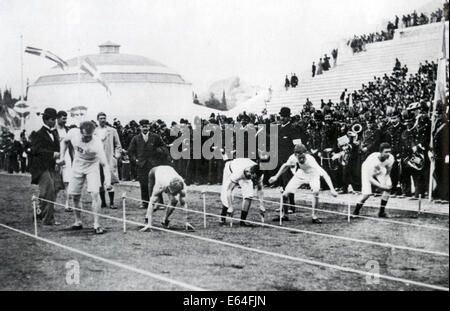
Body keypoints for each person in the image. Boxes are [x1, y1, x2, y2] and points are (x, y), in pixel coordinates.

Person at [58, 121, 111, 234]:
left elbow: (105, 164)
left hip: (92, 166)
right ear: (80, 131)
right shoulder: (73, 133)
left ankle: (96, 224)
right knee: (74, 195)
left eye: (89, 136)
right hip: (77, 164)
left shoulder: (96, 143)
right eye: (85, 136)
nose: (87, 139)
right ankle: (78, 221)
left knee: (95, 193)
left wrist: (108, 181)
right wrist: (62, 157)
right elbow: (64, 142)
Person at [29, 108, 62, 226]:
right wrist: (52, 154)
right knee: (49, 191)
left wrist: (58, 160)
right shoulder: (38, 134)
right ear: (46, 120)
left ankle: (39, 212)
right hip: (40, 167)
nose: (55, 121)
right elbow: (36, 150)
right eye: (53, 119)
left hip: (52, 166)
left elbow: (57, 149)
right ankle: (48, 219)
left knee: (54, 189)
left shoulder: (54, 132)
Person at [127, 119, 168, 209]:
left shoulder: (156, 137)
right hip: (141, 164)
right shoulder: (136, 138)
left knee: (157, 183)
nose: (145, 128)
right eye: (143, 126)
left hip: (154, 164)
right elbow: (130, 151)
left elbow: (164, 147)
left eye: (146, 126)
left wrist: (159, 151)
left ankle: (159, 203)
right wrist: (135, 160)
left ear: (149, 127)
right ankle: (145, 202)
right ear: (140, 127)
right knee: (143, 183)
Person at [140, 165, 194, 232]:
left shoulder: (183, 187)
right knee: (153, 200)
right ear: (168, 188)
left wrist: (186, 222)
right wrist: (149, 225)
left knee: (174, 200)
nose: (174, 194)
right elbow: (152, 201)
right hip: (155, 171)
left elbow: (183, 203)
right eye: (173, 192)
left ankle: (165, 220)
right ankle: (147, 217)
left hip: (169, 171)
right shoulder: (161, 184)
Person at [353, 143, 394, 218]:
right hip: (367, 169)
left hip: (380, 168)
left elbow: (388, 172)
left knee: (388, 186)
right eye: (386, 152)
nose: (388, 154)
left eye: (389, 152)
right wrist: (381, 186)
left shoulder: (391, 158)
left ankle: (381, 212)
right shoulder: (373, 160)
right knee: (367, 194)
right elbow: (370, 179)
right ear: (381, 152)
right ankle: (356, 211)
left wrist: (384, 185)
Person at [220, 158, 265, 227]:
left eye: (256, 178)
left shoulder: (259, 174)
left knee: (249, 195)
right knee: (226, 194)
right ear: (250, 172)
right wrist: (230, 206)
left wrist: (261, 205)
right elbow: (229, 190)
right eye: (253, 177)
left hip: (244, 171)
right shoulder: (238, 173)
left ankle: (242, 222)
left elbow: (260, 189)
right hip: (229, 170)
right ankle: (222, 219)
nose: (254, 180)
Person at [94, 112, 122, 209]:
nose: (103, 120)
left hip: (109, 158)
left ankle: (112, 202)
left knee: (110, 180)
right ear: (98, 119)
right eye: (101, 118)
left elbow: (118, 145)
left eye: (104, 118)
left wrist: (116, 156)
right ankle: (103, 202)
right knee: (99, 180)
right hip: (97, 160)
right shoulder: (94, 131)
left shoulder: (112, 131)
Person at [55, 110, 73, 212]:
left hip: (67, 158)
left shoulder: (68, 130)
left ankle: (67, 204)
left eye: (66, 118)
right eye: (63, 118)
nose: (65, 120)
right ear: (58, 118)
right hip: (56, 157)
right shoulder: (53, 130)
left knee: (68, 182)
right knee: (55, 182)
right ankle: (51, 205)